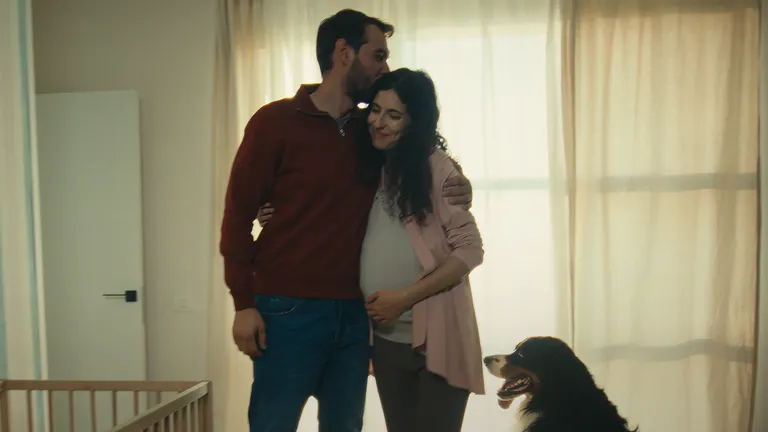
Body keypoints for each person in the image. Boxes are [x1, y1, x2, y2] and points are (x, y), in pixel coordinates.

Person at [219, 9, 473, 432]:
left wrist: (462, 184)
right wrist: (242, 304)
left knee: (345, 425)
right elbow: (237, 217)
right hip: (286, 308)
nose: (385, 68)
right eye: (378, 55)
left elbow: (421, 161)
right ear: (343, 52)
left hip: (356, 315)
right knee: (273, 423)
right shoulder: (274, 122)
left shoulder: (369, 130)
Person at [261, 68, 486, 431]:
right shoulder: (370, 166)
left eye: (393, 115)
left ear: (415, 122)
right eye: (375, 110)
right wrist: (275, 211)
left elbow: (471, 250)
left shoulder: (437, 169)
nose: (379, 122)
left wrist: (406, 297)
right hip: (385, 341)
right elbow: (322, 205)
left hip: (440, 337)